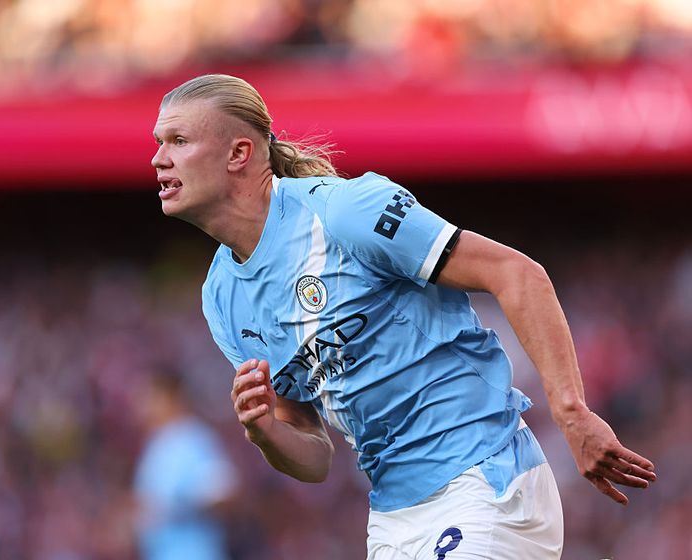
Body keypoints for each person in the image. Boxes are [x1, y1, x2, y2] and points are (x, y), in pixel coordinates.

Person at [151, 74, 657, 559]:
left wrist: (573, 414)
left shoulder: (345, 214)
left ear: (239, 153)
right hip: (395, 519)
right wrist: (266, 432)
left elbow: (517, 274)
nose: (158, 159)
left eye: (177, 140)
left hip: (484, 479)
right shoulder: (221, 298)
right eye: (159, 142)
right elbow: (315, 457)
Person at [133, 369, 237, 560]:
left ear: (173, 398)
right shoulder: (156, 445)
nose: (146, 406)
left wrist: (181, 505)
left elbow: (223, 493)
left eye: (153, 398)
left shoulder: (194, 439)